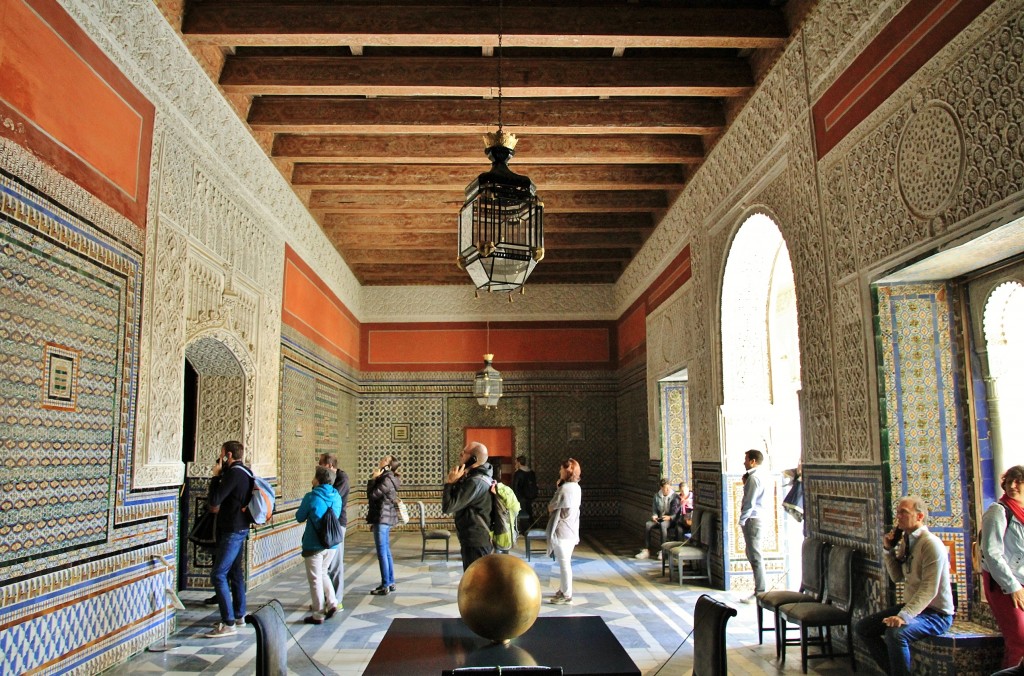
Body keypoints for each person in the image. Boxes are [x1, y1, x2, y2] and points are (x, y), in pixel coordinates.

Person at [856, 496, 955, 676]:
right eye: (898, 512)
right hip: (914, 607)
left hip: (936, 614)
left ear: (919, 516)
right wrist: (888, 550)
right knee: (864, 628)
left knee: (896, 634)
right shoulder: (908, 541)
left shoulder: (931, 544)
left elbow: (929, 589)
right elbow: (897, 577)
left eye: (904, 512)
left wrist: (904, 616)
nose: (898, 517)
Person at [204, 440, 252, 638]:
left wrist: (215, 477)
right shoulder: (246, 472)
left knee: (218, 574)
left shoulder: (234, 474)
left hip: (232, 530)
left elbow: (215, 500)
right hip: (240, 528)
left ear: (228, 455)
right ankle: (239, 615)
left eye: (222, 454)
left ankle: (228, 622)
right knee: (235, 573)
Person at [980, 465, 1024, 668]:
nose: (1013, 485)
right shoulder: (998, 511)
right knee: (1020, 641)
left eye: (1019, 481)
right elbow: (991, 553)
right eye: (1009, 481)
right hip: (1003, 585)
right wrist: (1012, 586)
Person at [295, 465, 342, 624]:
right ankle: (333, 603)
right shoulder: (337, 496)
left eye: (314, 477)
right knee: (323, 573)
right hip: (332, 544)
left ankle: (318, 614)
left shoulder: (311, 497)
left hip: (314, 544)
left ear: (318, 479)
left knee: (315, 578)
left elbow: (300, 516)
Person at [443, 441, 494, 571]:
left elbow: (448, 507)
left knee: (476, 582)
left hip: (475, 539)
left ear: (473, 459)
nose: (460, 455)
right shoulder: (482, 477)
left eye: (463, 453)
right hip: (477, 537)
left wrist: (449, 483)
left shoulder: (475, 482)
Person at [547, 458, 582, 605]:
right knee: (565, 562)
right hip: (572, 530)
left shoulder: (565, 489)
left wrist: (558, 488)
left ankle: (567, 595)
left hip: (562, 532)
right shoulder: (576, 487)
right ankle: (563, 589)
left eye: (561, 469)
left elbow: (551, 506)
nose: (559, 471)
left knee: (564, 564)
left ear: (567, 471)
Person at [366, 455, 401, 595]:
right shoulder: (390, 478)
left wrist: (373, 479)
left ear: (388, 465)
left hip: (382, 518)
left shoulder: (386, 479)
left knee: (382, 552)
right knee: (386, 552)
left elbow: (372, 495)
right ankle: (390, 582)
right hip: (384, 518)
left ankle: (385, 584)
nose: (381, 460)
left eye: (385, 459)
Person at [319, 453, 350, 603]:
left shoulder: (342, 478)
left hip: (337, 524)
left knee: (335, 563)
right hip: (326, 523)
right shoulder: (327, 478)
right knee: (325, 565)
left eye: (321, 464)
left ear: (330, 466)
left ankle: (336, 599)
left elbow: (332, 497)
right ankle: (327, 598)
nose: (319, 468)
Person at [739, 449, 767, 603]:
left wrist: (742, 519)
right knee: (751, 553)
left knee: (755, 556)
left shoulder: (754, 478)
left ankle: (760, 592)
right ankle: (759, 590)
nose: (744, 462)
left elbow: (750, 502)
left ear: (753, 461)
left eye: (746, 459)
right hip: (756, 518)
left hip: (753, 519)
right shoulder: (758, 476)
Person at [635, 478, 681, 560]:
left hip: (670, 520)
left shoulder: (675, 497)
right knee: (648, 525)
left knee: (663, 525)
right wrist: (654, 516)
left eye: (668, 488)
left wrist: (670, 517)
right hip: (661, 518)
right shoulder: (657, 496)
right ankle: (646, 550)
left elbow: (676, 512)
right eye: (665, 488)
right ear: (661, 488)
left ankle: (663, 551)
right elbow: (655, 509)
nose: (667, 490)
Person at [512, 455, 538, 525]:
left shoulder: (518, 473)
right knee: (530, 512)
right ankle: (532, 527)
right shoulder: (532, 473)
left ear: (519, 463)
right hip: (531, 496)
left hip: (521, 497)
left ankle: (524, 529)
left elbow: (515, 487)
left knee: (522, 515)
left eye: (516, 463)